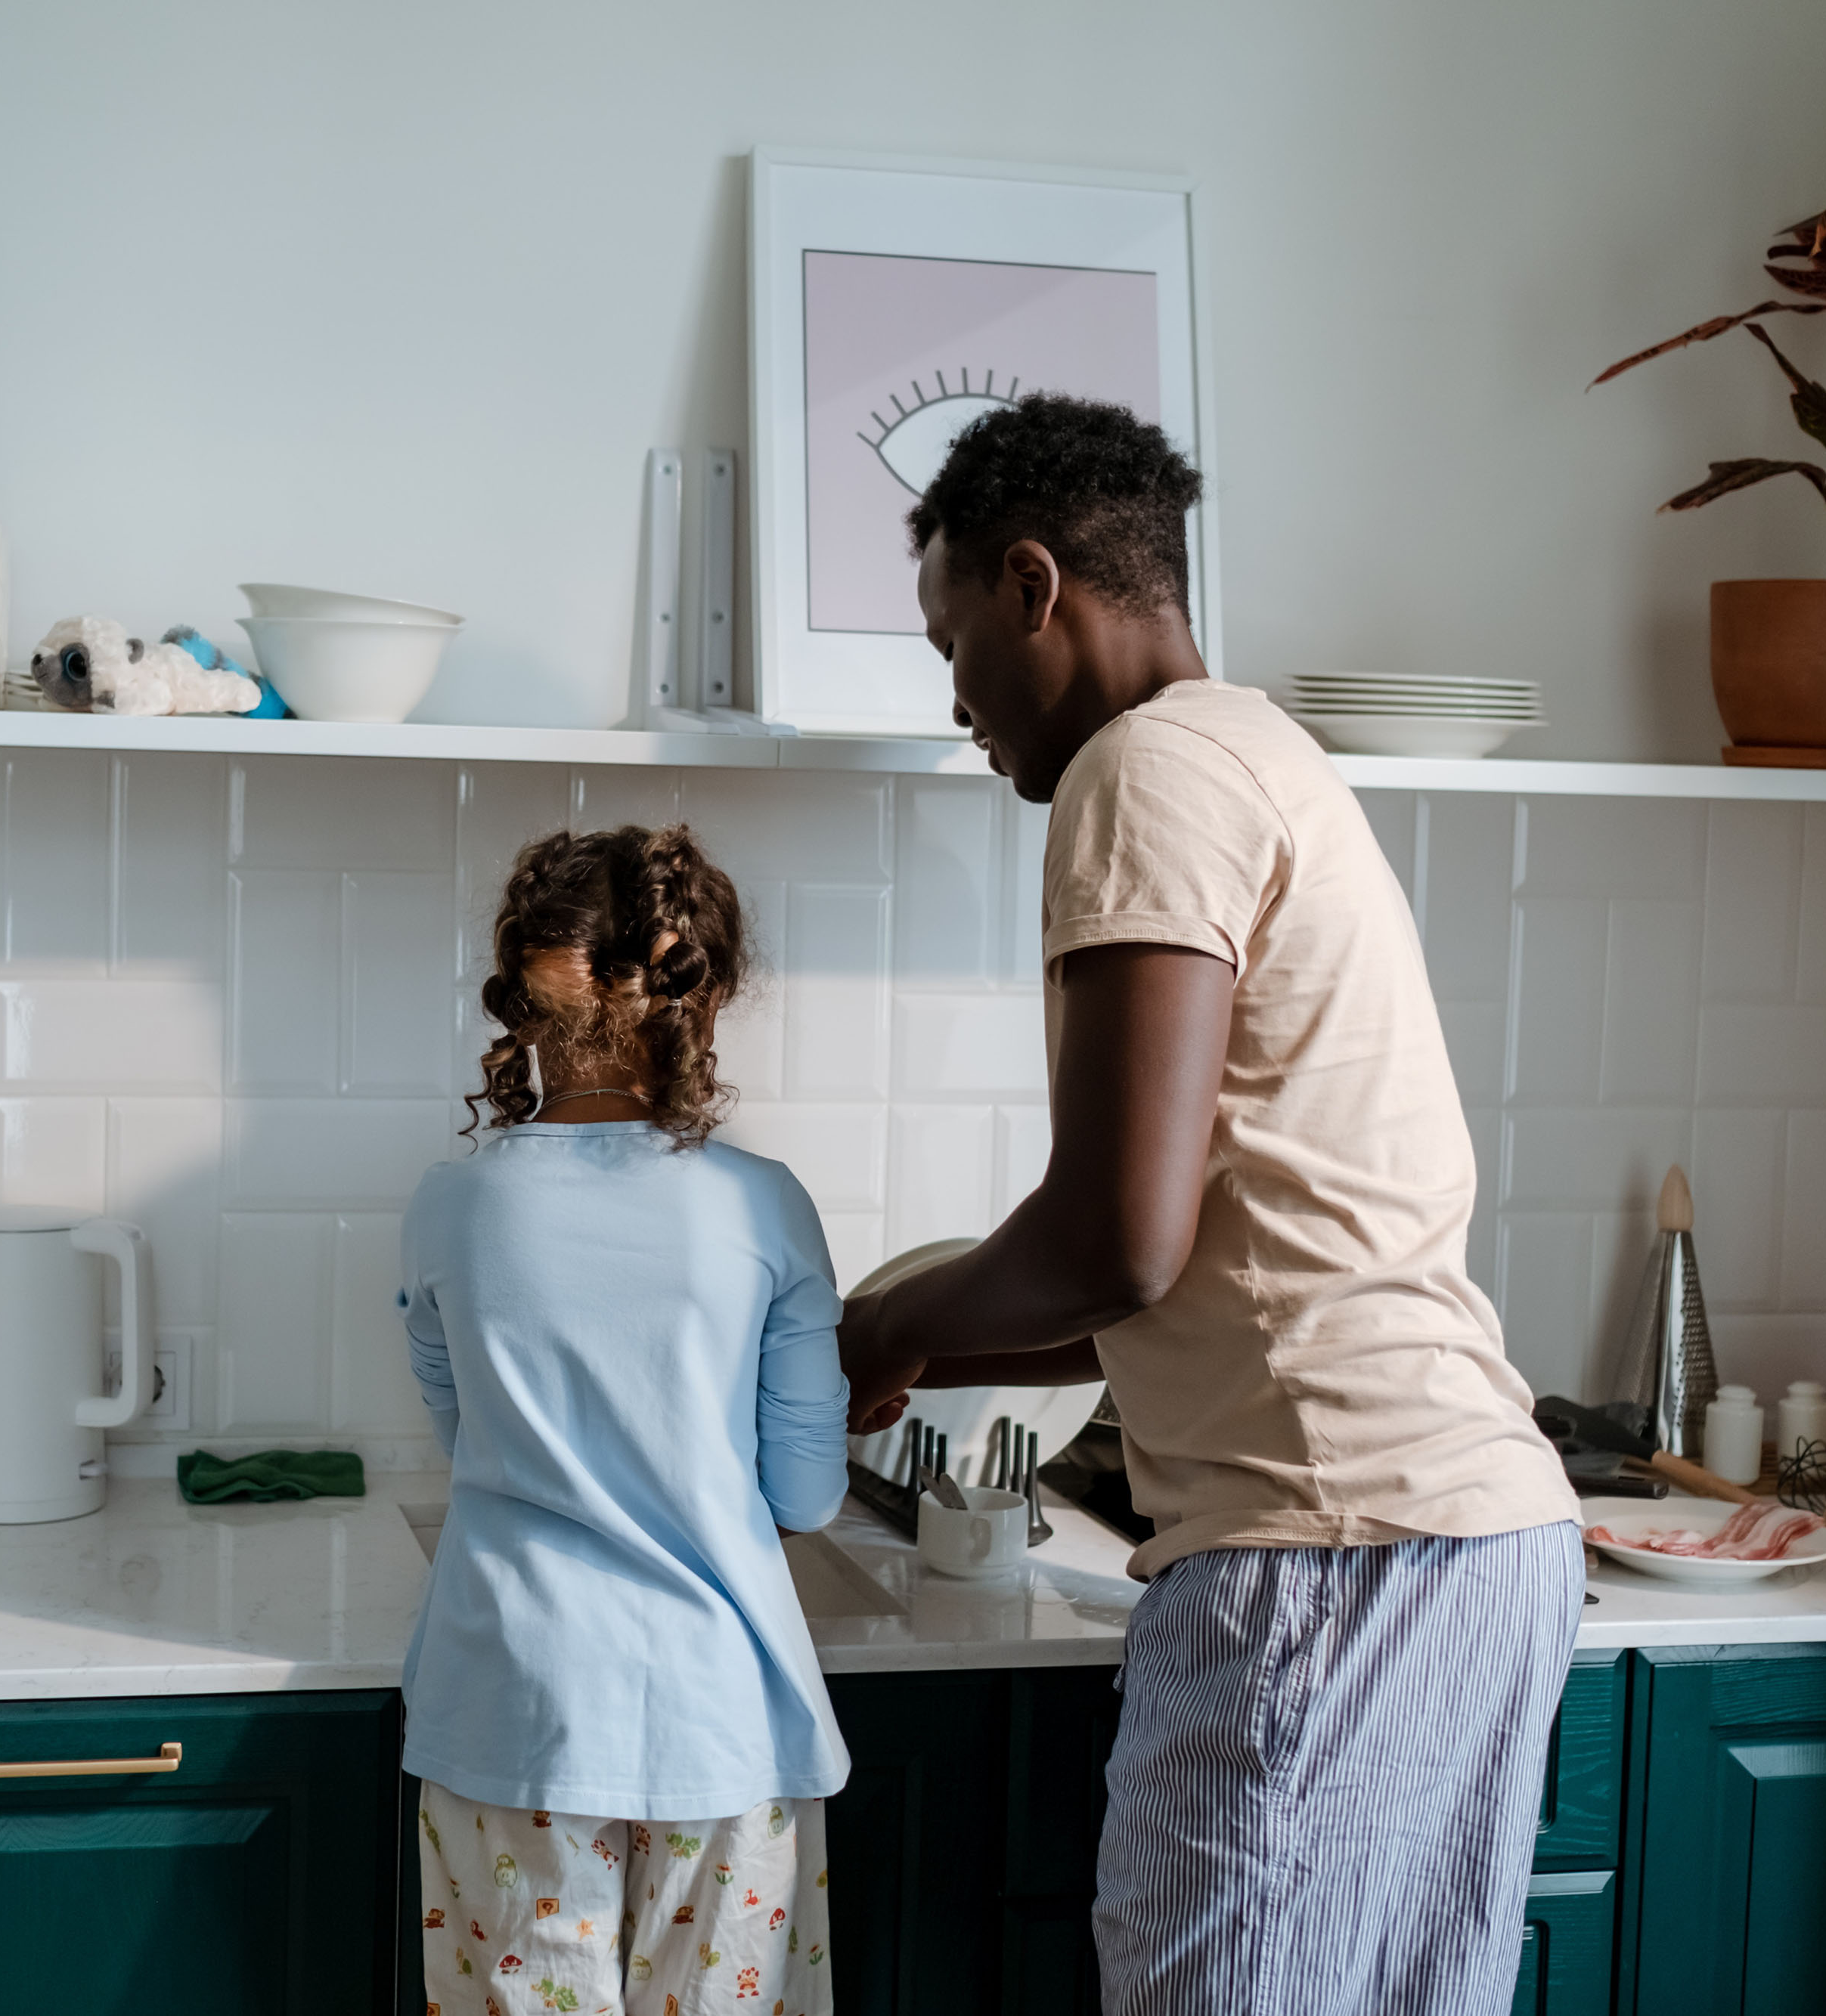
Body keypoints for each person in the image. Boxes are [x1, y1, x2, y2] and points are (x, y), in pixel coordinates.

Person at [837, 394, 1581, 2015]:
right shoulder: (1258, 749)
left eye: (949, 639)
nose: (953, 696)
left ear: (1034, 587)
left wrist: (871, 1327)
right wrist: (916, 1362)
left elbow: (1115, 1237)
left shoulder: (1141, 769)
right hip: (1466, 1533)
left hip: (1329, 1550)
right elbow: (1193, 1275)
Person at [399, 824, 849, 2016]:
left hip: (511, 1713)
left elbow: (475, 1440)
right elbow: (803, 1497)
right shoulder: (765, 1208)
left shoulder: (451, 1208)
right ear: (704, 997)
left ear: (524, 1000)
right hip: (722, 1723)